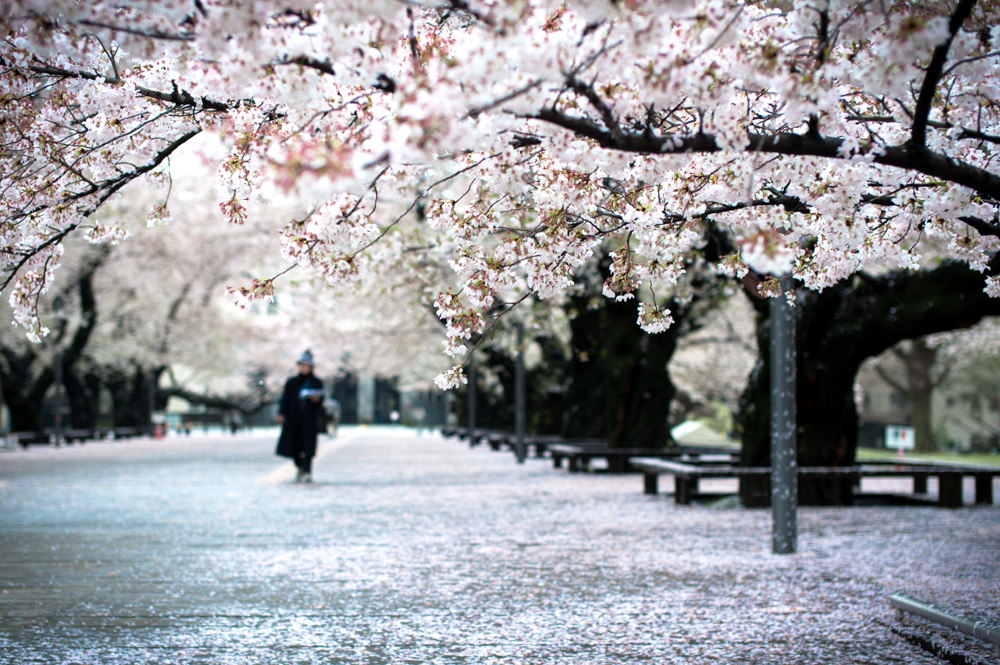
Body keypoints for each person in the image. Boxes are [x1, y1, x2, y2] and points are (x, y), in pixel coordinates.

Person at [275, 350, 325, 483]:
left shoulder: (316, 382)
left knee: (308, 446)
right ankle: (300, 466)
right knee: (294, 445)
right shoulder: (291, 382)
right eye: (302, 365)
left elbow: (321, 399)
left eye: (306, 365)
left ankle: (307, 471)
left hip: (309, 419)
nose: (304, 368)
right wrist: (281, 413)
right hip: (293, 418)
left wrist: (316, 399)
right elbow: (285, 399)